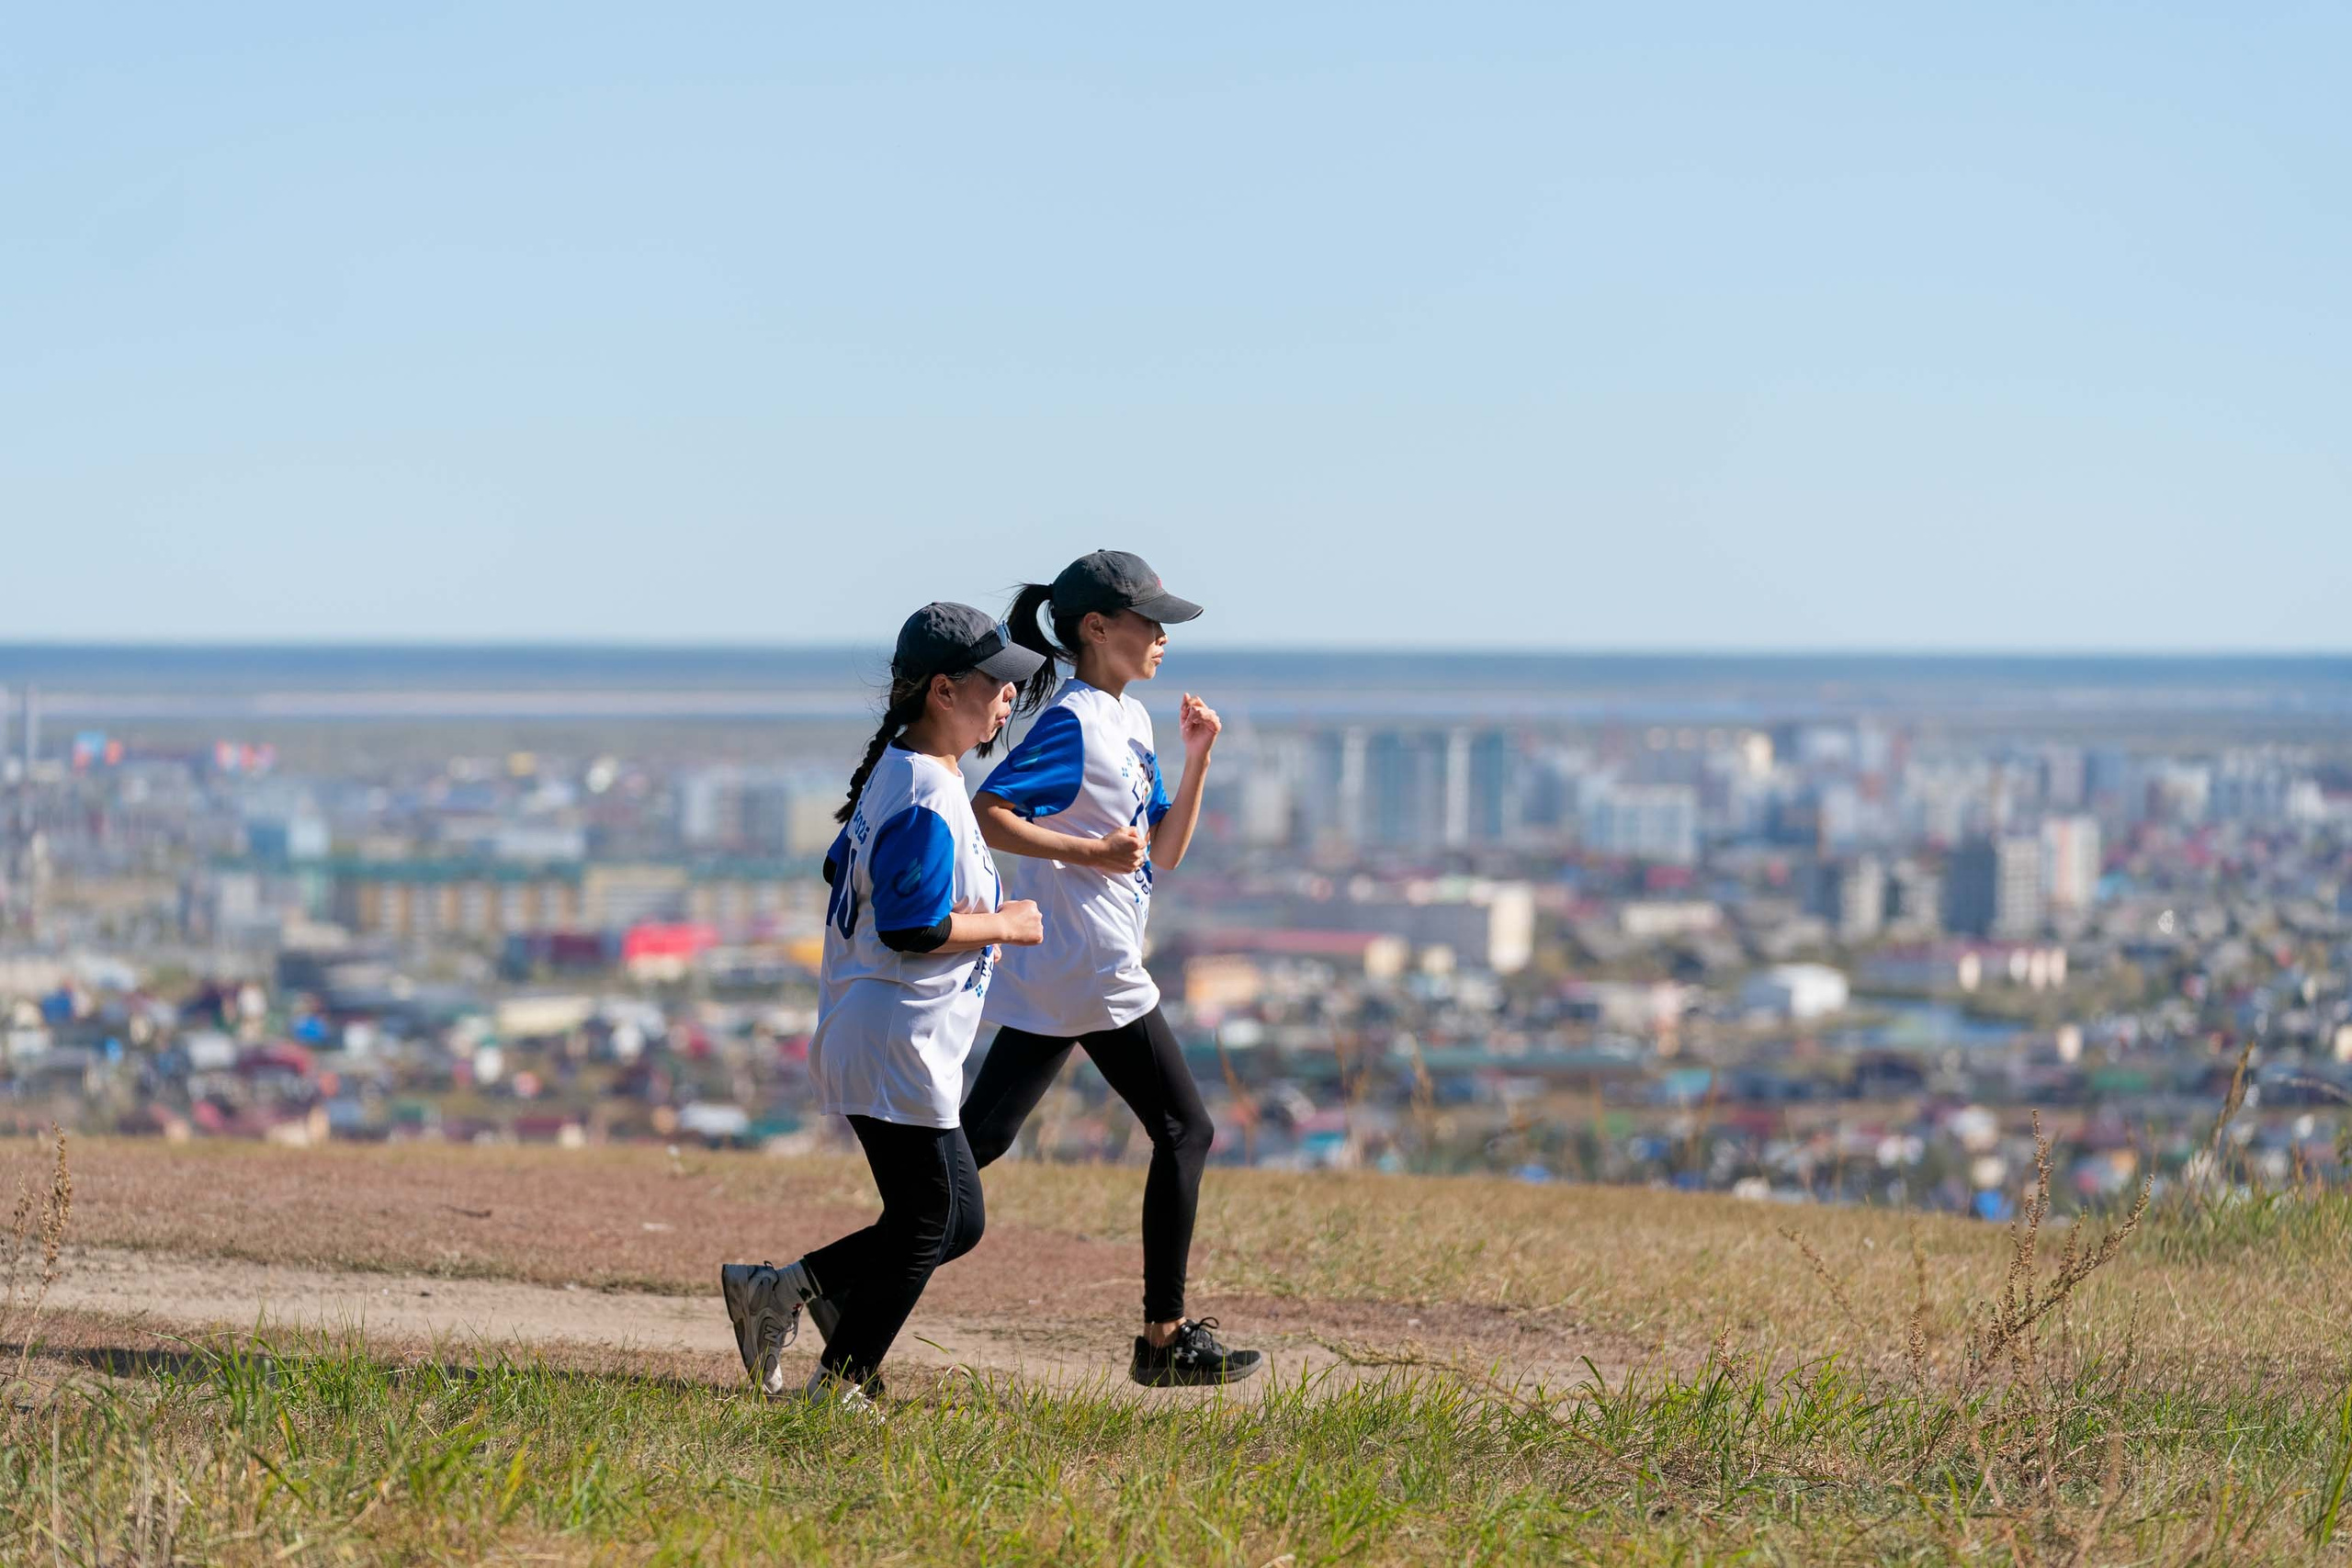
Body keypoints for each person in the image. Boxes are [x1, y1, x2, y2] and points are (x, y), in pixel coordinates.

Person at [721, 603, 1046, 1410]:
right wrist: (1002, 923)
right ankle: (840, 1387)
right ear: (943, 690)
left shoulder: (902, 773)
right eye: (997, 683)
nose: (1010, 697)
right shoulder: (928, 795)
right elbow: (909, 925)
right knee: (929, 1219)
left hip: (889, 1035)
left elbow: (844, 872)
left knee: (953, 1220)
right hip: (896, 1039)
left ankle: (785, 1289)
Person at [960, 549, 1263, 1387]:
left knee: (978, 1141)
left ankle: (821, 1282)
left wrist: (1199, 756)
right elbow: (988, 813)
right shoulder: (1077, 721)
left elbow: (1162, 849)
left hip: (1067, 964)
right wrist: (1089, 850)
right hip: (1090, 959)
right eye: (1149, 620)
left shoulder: (1129, 723)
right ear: (1097, 627)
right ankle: (1163, 1338)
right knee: (1185, 1129)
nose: (1163, 635)